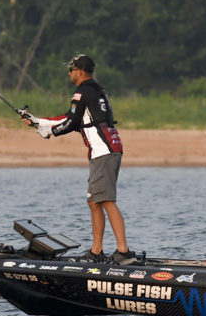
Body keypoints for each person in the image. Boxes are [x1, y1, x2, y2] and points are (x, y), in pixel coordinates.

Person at [21, 54, 135, 265]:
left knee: (106, 200)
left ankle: (124, 253)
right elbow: (69, 117)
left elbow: (72, 122)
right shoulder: (94, 90)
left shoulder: (82, 92)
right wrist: (38, 121)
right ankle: (96, 251)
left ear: (80, 72)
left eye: (71, 69)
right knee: (94, 201)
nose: (69, 73)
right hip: (106, 149)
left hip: (103, 151)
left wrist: (51, 133)